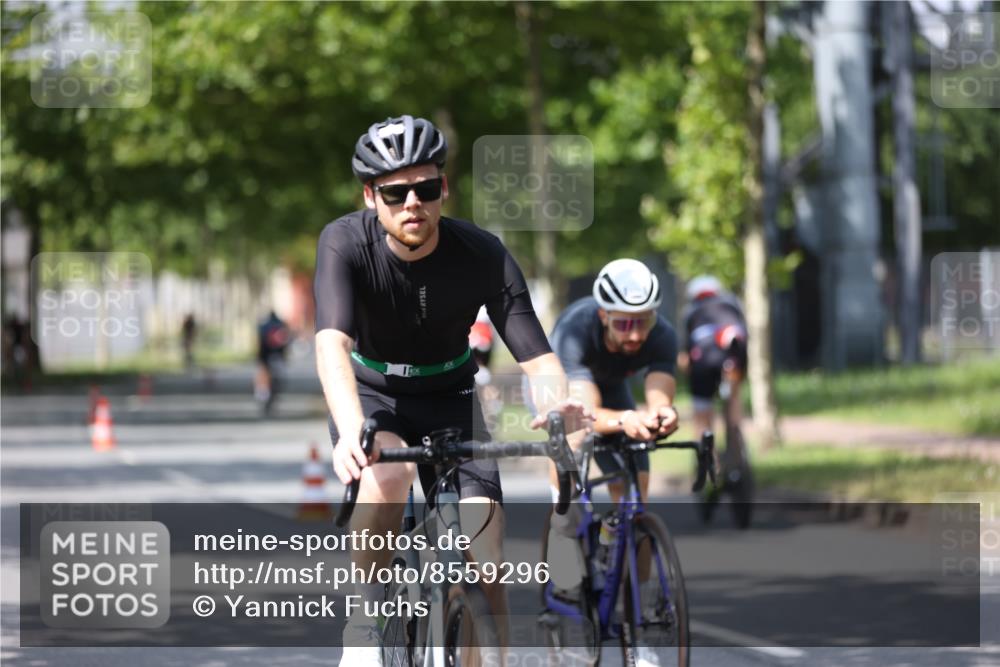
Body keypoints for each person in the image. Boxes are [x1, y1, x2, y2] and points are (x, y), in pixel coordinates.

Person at [313, 114, 586, 666]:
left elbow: (537, 355)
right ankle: (366, 614)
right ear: (371, 196)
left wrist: (558, 405)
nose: (412, 202)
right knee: (387, 475)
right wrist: (348, 433)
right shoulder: (344, 243)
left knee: (485, 551)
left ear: (444, 188)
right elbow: (331, 344)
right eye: (395, 192)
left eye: (426, 187)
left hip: (451, 397)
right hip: (374, 393)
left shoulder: (482, 252)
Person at [678, 275, 748, 448]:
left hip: (702, 361)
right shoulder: (732, 304)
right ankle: (736, 448)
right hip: (732, 356)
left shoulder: (690, 312)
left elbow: (685, 357)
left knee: (702, 412)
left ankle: (707, 458)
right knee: (733, 400)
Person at [255, 310, 292, 411]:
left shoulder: (263, 326)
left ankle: (262, 394)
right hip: (278, 354)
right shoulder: (282, 325)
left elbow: (259, 342)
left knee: (263, 375)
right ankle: (271, 393)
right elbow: (286, 342)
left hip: (265, 354)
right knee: (278, 376)